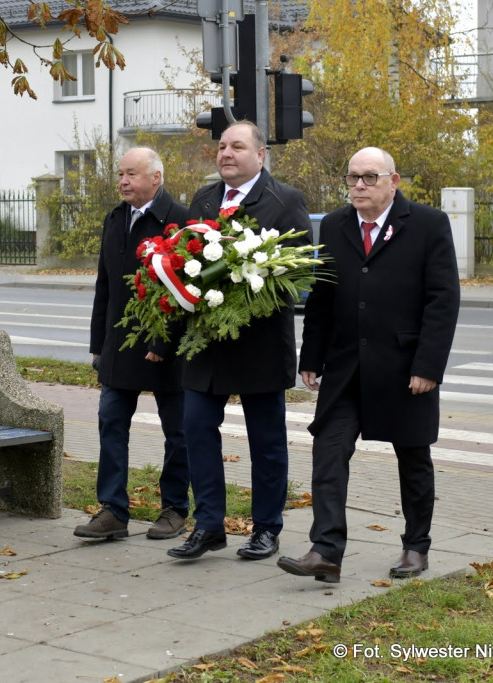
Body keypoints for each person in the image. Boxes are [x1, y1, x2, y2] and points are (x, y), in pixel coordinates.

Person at [277, 147, 460, 583]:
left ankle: (416, 547)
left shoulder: (428, 224)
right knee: (328, 451)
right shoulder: (338, 225)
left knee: (413, 458)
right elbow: (322, 295)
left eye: (370, 177)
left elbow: (443, 300)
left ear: (393, 181)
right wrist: (312, 356)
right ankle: (326, 550)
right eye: (353, 177)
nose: (359, 185)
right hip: (345, 367)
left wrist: (428, 366)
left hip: (405, 368)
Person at [167, 120, 311, 561]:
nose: (226, 153)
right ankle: (209, 524)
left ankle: (266, 528)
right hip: (206, 343)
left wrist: (246, 286)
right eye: (222, 146)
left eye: (237, 147)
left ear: (260, 155)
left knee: (265, 441)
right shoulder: (204, 198)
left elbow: (299, 273)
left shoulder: (285, 200)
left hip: (259, 344)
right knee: (195, 431)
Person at [74, 147, 192, 541]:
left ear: (156, 178)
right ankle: (113, 510)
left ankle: (174, 509)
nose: (123, 181)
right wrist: (97, 343)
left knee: (177, 432)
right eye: (121, 175)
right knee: (110, 422)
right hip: (119, 345)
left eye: (132, 174)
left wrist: (163, 340)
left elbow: (185, 291)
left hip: (168, 350)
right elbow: (104, 285)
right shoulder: (116, 218)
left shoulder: (180, 221)